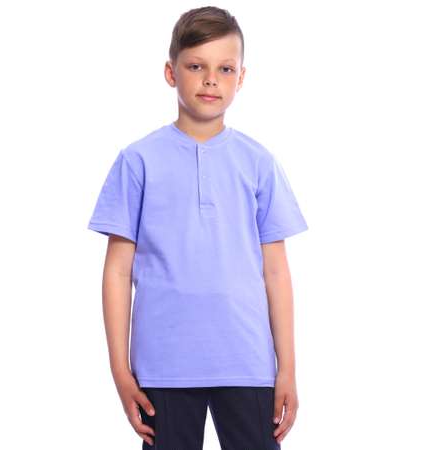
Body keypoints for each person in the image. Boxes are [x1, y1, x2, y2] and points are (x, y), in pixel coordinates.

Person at [87, 6, 308, 450]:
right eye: (196, 67)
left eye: (225, 69)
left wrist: (287, 368)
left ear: (241, 78)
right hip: (163, 364)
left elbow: (276, 272)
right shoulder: (138, 161)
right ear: (171, 73)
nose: (211, 80)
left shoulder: (259, 163)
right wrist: (119, 369)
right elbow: (117, 271)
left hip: (246, 361)